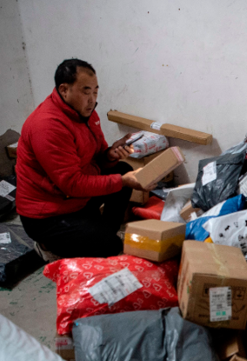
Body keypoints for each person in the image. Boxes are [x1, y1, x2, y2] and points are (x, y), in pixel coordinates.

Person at [16, 58, 153, 260]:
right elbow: (71, 184)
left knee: (121, 168)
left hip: (73, 200)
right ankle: (48, 245)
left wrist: (110, 155)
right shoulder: (48, 126)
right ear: (64, 90)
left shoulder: (85, 114)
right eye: (86, 92)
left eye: (95, 91)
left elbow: (96, 158)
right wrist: (122, 181)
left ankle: (98, 231)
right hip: (48, 214)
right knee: (111, 247)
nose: (92, 99)